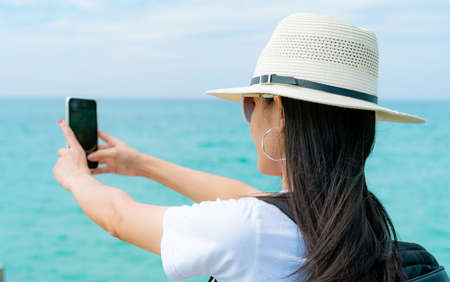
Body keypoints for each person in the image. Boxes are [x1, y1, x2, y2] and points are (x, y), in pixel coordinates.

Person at [53, 13, 427, 281]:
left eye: (251, 104)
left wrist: (76, 176)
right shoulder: (362, 221)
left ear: (278, 113)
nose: (248, 117)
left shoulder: (248, 231)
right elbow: (252, 198)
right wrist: (142, 164)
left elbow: (119, 218)